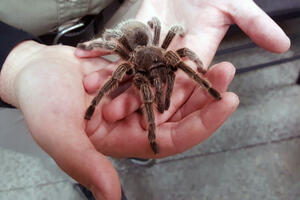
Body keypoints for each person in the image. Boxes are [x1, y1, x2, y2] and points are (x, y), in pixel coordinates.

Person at [0, 0, 290, 199]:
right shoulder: (127, 61)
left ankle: (136, 145)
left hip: (122, 11)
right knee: (61, 135)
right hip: (26, 42)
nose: (164, 70)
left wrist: (202, 76)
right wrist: (11, 60)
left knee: (134, 106)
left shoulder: (167, 50)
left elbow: (181, 44)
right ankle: (84, 174)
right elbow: (110, 44)